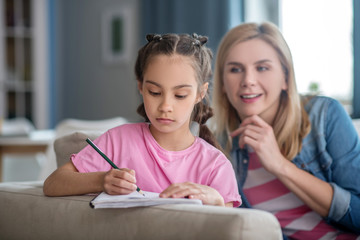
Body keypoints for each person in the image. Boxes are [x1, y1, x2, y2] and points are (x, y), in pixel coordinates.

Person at [43, 33, 241, 208]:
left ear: (200, 93)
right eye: (154, 92)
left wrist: (217, 201)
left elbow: (230, 226)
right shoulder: (118, 140)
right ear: (141, 86)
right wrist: (102, 180)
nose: (165, 106)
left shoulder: (215, 165)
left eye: (180, 95)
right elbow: (53, 183)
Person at [211, 22, 360, 238]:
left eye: (262, 67)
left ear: (285, 77)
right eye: (235, 69)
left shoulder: (324, 115)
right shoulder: (219, 146)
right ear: (223, 83)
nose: (248, 81)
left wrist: (279, 165)